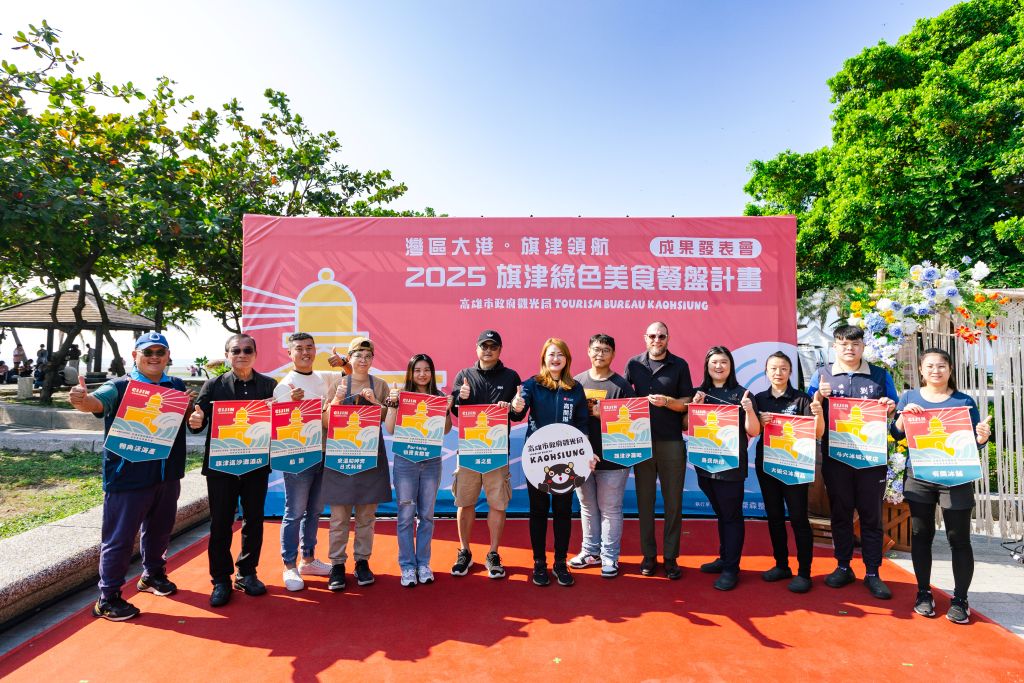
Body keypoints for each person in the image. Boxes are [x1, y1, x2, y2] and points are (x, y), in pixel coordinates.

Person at [68, 332, 191, 621]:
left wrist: (193, 415)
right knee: (120, 538)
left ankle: (152, 576)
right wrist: (81, 400)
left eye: (160, 352)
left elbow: (183, 420)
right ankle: (108, 598)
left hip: (167, 474)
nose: (154, 357)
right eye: (148, 352)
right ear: (135, 356)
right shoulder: (119, 386)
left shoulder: (176, 386)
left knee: (160, 531)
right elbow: (95, 403)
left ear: (167, 356)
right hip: (128, 477)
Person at [891, 348, 991, 624]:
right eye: (930, 366)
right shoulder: (909, 397)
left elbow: (973, 444)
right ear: (921, 370)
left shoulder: (964, 401)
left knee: (959, 539)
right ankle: (923, 593)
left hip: (956, 477)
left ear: (950, 369)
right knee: (921, 535)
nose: (936, 370)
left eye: (941, 366)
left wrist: (982, 438)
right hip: (920, 476)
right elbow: (895, 433)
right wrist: (903, 416)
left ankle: (960, 599)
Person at [807, 325, 898, 600]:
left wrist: (890, 406)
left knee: (871, 516)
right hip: (837, 458)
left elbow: (893, 408)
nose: (849, 349)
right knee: (840, 514)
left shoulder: (880, 375)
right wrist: (819, 396)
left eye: (855, 344)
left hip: (871, 459)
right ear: (835, 346)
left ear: (863, 347)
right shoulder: (822, 375)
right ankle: (843, 566)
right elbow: (810, 412)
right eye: (844, 344)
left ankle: (872, 572)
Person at [188, 333, 278, 607]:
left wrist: (286, 408)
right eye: (236, 350)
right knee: (220, 523)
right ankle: (221, 579)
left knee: (253, 521)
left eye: (247, 350)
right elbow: (198, 421)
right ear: (227, 355)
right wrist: (195, 419)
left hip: (256, 465)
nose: (242, 355)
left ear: (255, 354)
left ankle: (247, 573)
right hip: (221, 467)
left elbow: (281, 425)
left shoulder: (269, 385)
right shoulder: (213, 385)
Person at [510, 338, 589, 587]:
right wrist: (516, 406)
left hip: (567, 461)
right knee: (539, 511)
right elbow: (518, 412)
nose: (555, 359)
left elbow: (582, 424)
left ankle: (560, 562)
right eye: (551, 354)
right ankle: (539, 563)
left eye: (560, 355)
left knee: (564, 511)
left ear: (567, 359)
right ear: (544, 357)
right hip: (538, 460)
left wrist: (586, 452)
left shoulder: (575, 388)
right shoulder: (532, 384)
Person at [449, 330, 522, 579]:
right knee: (464, 501)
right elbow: (455, 410)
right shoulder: (464, 375)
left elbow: (517, 414)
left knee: (497, 503)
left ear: (500, 350)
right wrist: (460, 398)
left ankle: (493, 553)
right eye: (484, 346)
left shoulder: (511, 377)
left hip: (497, 452)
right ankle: (465, 551)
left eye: (493, 346)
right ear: (477, 348)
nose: (488, 350)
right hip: (469, 450)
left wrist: (514, 407)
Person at [321, 337, 392, 591]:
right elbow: (325, 423)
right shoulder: (338, 383)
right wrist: (337, 401)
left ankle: (362, 561)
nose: (363, 360)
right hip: (341, 457)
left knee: (366, 516)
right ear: (349, 358)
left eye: (367, 356)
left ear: (373, 359)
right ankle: (337, 564)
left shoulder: (380, 385)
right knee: (339, 517)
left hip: (370, 456)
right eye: (358, 355)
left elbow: (389, 419)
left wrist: (375, 403)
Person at [623, 321, 693, 579]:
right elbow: (623, 398)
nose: (656, 340)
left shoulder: (680, 365)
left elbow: (687, 402)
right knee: (645, 502)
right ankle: (649, 555)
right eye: (652, 336)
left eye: (661, 336)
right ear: (645, 338)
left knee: (673, 503)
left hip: (671, 441)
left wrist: (668, 402)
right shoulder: (633, 364)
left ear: (668, 338)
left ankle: (671, 557)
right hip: (641, 443)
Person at [690, 346, 761, 591]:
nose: (718, 366)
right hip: (705, 465)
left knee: (731, 516)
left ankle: (732, 568)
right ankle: (724, 558)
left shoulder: (742, 394)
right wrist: (694, 405)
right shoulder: (699, 393)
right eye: (714, 362)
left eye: (723, 362)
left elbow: (754, 431)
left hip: (731, 467)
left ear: (731, 366)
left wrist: (748, 409)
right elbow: (686, 426)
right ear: (707, 366)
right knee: (721, 514)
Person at [753, 351, 825, 593]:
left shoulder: (802, 399)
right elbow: (752, 431)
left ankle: (804, 572)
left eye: (783, 368)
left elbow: (816, 433)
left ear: (790, 372)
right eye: (773, 368)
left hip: (795, 467)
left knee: (798, 518)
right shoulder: (759, 399)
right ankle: (781, 565)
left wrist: (818, 414)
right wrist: (758, 420)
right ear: (766, 371)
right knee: (774, 517)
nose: (778, 373)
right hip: (768, 465)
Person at [384, 354, 453, 587]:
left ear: (432, 373)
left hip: (431, 462)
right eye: (417, 370)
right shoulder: (401, 395)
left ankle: (423, 563)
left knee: (426, 515)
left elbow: (445, 430)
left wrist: (446, 410)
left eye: (426, 370)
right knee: (405, 515)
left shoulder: (439, 397)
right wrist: (393, 404)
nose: (422, 374)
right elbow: (390, 428)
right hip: (405, 462)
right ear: (410, 373)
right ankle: (407, 565)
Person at [569, 333, 635, 579]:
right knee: (587, 507)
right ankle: (590, 552)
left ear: (613, 354)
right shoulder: (576, 382)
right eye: (596, 349)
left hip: (614, 460)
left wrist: (603, 415)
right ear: (588, 351)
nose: (600, 354)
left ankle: (609, 556)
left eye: (605, 350)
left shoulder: (622, 386)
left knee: (610, 509)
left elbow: (633, 423)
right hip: (582, 458)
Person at [273, 332, 332, 592]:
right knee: (294, 511)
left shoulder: (322, 378)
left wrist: (343, 363)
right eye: (299, 348)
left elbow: (351, 374)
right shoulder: (284, 386)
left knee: (315, 509)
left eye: (309, 347)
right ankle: (289, 565)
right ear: (290, 353)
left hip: (323, 451)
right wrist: (292, 404)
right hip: (297, 456)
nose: (305, 352)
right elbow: (280, 424)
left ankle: (308, 559)